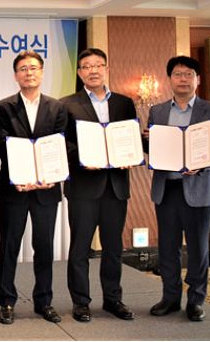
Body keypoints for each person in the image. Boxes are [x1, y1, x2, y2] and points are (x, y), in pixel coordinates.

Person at [146, 56, 210, 322]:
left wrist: (204, 164)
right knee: (167, 248)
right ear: (169, 79)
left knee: (198, 249)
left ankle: (196, 300)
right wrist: (146, 141)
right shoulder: (158, 111)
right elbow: (155, 149)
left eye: (188, 74)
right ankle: (170, 298)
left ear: (197, 80)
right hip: (167, 189)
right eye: (177, 74)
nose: (183, 79)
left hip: (199, 189)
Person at [61, 48, 137, 322]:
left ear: (106, 69)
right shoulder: (67, 104)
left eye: (98, 65)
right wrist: (83, 158)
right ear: (80, 72)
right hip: (84, 186)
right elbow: (63, 143)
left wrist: (131, 156)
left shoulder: (125, 103)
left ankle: (113, 299)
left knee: (113, 248)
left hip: (115, 187)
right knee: (80, 248)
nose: (93, 70)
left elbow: (130, 137)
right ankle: (81, 302)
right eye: (87, 66)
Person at [0, 51, 68, 325]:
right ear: (16, 75)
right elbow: (3, 143)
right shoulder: (4, 107)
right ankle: (6, 302)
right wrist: (20, 174)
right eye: (23, 69)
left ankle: (44, 301)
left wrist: (51, 176)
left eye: (34, 68)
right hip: (14, 188)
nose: (29, 73)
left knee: (44, 247)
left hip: (46, 189)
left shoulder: (57, 107)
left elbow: (59, 144)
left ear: (42, 72)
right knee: (9, 246)